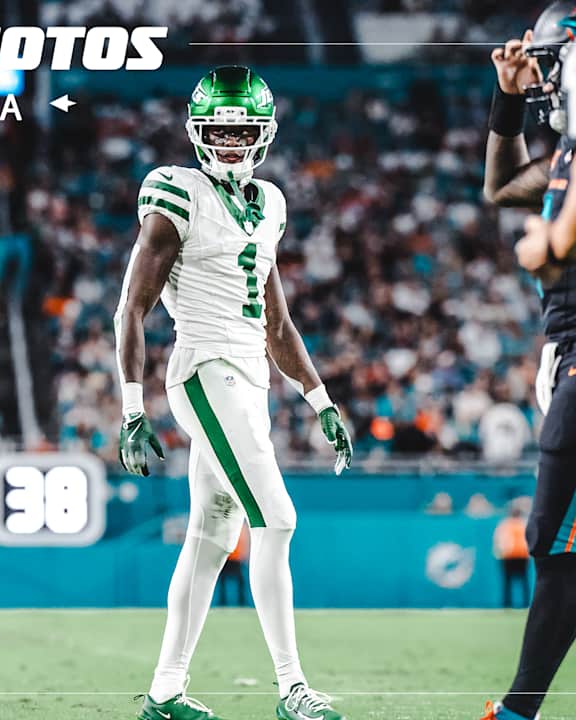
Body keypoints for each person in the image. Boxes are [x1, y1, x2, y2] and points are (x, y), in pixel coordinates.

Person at [115, 66, 353, 720]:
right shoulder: (178, 193)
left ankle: (164, 692)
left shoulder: (270, 202)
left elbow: (277, 323)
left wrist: (321, 400)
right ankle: (292, 688)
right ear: (197, 132)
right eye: (217, 131)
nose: (228, 142)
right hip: (204, 368)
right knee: (277, 519)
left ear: (264, 133)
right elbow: (131, 308)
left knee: (211, 536)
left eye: (241, 130)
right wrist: (132, 409)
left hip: (249, 379)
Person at [482, 4, 576, 718]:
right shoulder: (567, 153)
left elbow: (553, 240)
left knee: (555, 543)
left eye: (550, 63)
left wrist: (550, 245)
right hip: (568, 357)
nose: (544, 79)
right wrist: (507, 99)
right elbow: (503, 186)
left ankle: (517, 712)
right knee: (561, 548)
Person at [494, 503, 531, 609]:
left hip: (510, 556)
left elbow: (499, 540)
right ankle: (523, 604)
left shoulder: (505, 524)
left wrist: (499, 553)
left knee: (509, 582)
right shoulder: (522, 523)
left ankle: (508, 604)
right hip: (520, 556)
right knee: (521, 582)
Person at [217, 522, 249, 607]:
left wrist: (243, 556)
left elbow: (244, 543)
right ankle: (222, 602)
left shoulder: (242, 527)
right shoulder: (225, 526)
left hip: (236, 559)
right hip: (227, 558)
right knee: (222, 581)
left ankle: (242, 602)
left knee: (240, 581)